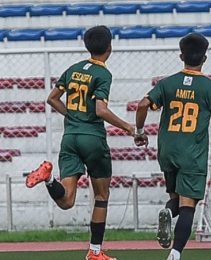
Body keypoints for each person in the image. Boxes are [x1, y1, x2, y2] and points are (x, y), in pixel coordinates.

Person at [25, 25, 135, 260]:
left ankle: (49, 178)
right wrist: (128, 127)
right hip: (92, 139)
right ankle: (95, 252)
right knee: (101, 197)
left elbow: (52, 99)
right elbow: (101, 110)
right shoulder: (103, 73)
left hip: (70, 139)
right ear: (109, 47)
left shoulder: (73, 69)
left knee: (66, 200)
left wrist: (73, 117)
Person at [134, 33, 211, 260]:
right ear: (205, 58)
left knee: (176, 200)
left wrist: (140, 132)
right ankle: (175, 253)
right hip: (192, 154)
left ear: (181, 56)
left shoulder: (166, 84)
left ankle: (168, 212)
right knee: (189, 205)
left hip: (168, 151)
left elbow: (142, 105)